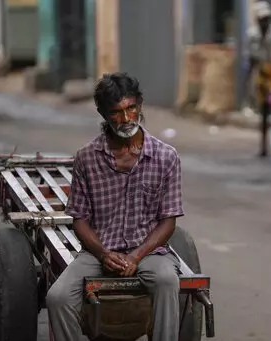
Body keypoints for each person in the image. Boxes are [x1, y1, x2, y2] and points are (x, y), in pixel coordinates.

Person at [46, 72, 184, 341]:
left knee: (168, 281)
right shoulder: (86, 157)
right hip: (99, 253)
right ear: (103, 114)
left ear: (140, 104)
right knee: (57, 298)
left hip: (149, 253)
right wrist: (103, 253)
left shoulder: (166, 156)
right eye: (117, 112)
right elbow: (80, 219)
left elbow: (169, 220)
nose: (126, 119)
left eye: (131, 108)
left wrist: (136, 256)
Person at [246, 1, 271, 158]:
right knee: (263, 110)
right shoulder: (252, 35)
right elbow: (251, 58)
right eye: (261, 19)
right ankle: (263, 146)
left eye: (267, 19)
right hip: (262, 72)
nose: (264, 22)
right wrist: (249, 80)